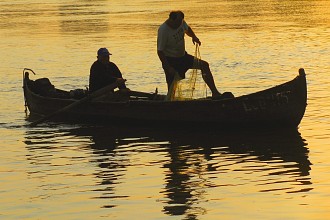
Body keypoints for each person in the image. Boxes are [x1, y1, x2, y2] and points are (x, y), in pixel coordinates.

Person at [157, 10, 221, 98]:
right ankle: (171, 103)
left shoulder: (181, 22)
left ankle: (215, 93)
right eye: (178, 23)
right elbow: (160, 51)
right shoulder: (163, 30)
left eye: (181, 22)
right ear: (171, 20)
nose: (180, 24)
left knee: (204, 65)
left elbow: (187, 29)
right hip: (171, 61)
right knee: (172, 87)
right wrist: (168, 67)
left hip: (183, 57)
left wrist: (194, 36)